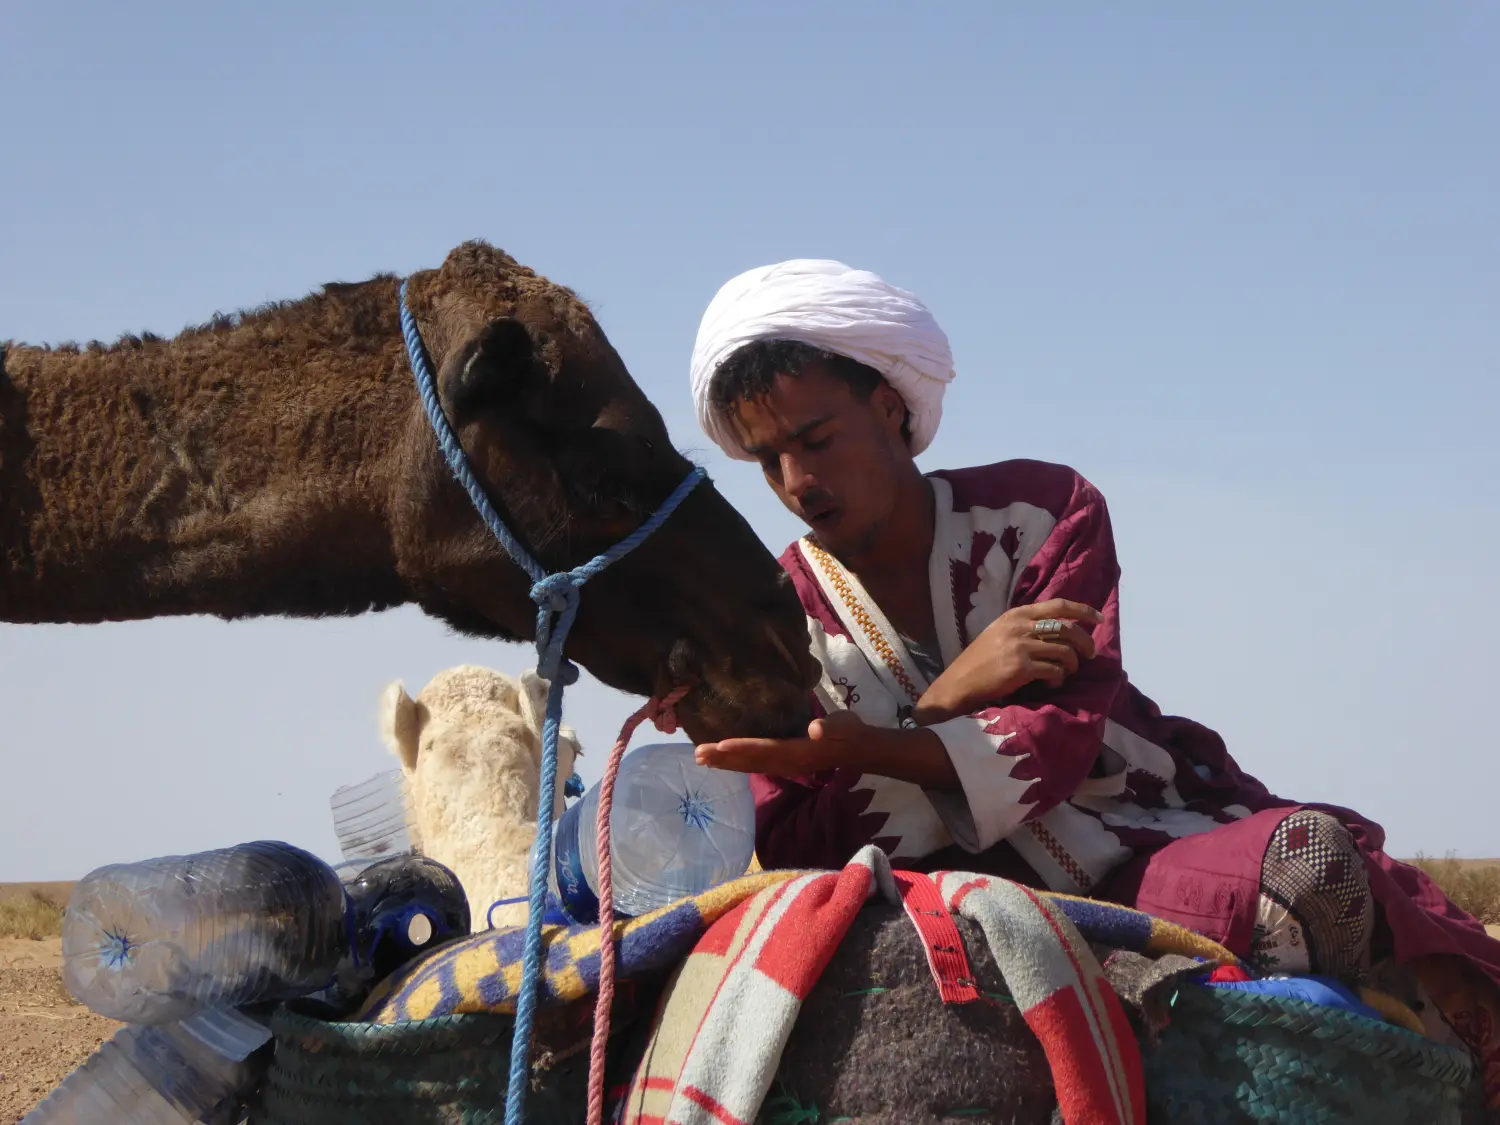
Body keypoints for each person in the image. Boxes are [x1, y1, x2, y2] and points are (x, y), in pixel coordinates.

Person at [687, 258, 1500, 1100]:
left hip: (1136, 844)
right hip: (936, 908)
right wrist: (942, 703)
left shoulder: (1043, 512)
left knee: (1309, 869)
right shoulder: (772, 622)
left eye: (815, 441)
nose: (795, 482)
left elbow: (1060, 741)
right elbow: (799, 844)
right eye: (768, 460)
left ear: (889, 408)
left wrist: (878, 750)